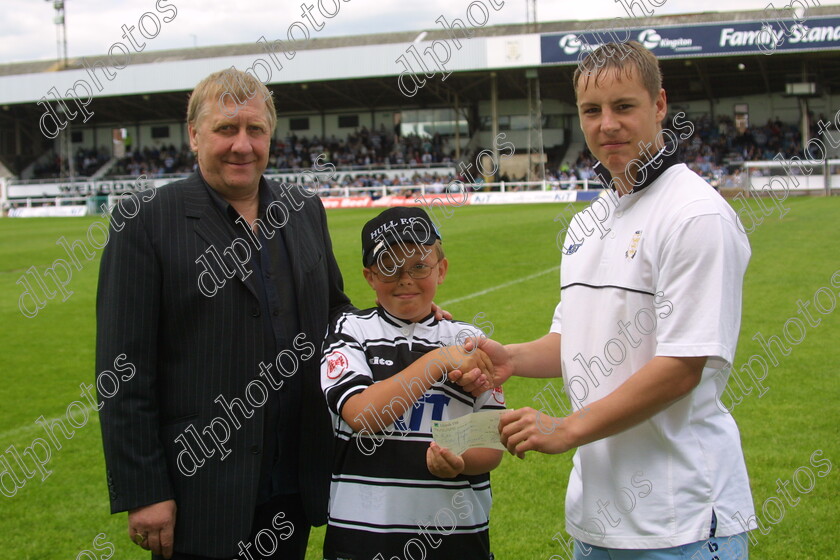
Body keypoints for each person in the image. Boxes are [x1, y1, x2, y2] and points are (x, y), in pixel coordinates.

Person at [478, 41, 755, 558]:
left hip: (683, 521)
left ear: (659, 106)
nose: (607, 124)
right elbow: (574, 340)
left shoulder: (696, 215)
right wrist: (511, 358)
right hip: (597, 522)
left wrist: (567, 428)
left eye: (623, 106)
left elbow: (682, 366)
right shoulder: (588, 222)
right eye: (591, 110)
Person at [95, 68, 357, 559]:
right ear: (194, 135)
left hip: (291, 487)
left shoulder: (303, 210)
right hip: (202, 490)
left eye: (255, 130)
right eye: (226, 129)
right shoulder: (147, 221)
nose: (243, 145)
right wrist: (144, 489)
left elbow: (335, 312)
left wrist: (409, 325)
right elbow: (122, 370)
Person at [320, 207, 504, 560]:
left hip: (455, 541)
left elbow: (490, 446)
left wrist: (461, 463)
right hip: (362, 540)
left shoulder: (470, 340)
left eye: (419, 266)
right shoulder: (350, 331)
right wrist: (440, 360)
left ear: (441, 270)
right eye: (389, 267)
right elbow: (363, 414)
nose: (405, 278)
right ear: (370, 276)